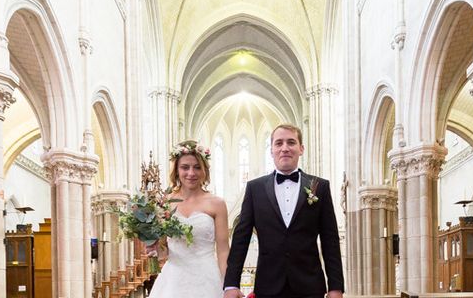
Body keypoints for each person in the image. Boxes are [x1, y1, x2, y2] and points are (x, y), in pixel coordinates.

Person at [224, 124, 344, 298]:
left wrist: (336, 287)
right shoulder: (254, 188)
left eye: (291, 142)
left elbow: (330, 240)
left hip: (310, 286)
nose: (285, 148)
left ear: (301, 149)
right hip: (268, 285)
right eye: (278, 143)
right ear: (271, 150)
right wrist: (231, 284)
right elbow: (240, 239)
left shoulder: (320, 187)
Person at [147, 140, 230, 298]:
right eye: (185, 167)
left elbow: (223, 250)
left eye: (197, 167)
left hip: (207, 278)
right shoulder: (165, 202)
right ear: (177, 170)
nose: (191, 173)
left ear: (204, 170)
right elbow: (163, 252)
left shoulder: (217, 204)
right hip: (173, 279)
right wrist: (152, 244)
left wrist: (228, 285)